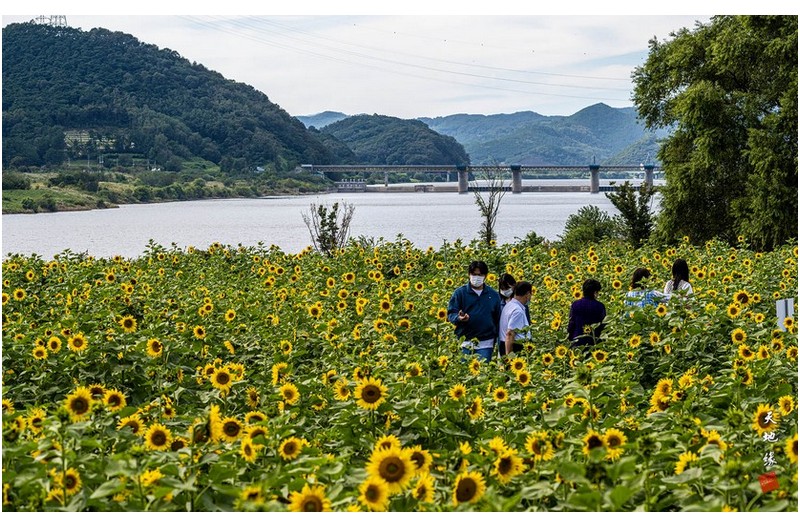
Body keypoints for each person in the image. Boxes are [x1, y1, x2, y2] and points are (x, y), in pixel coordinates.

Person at [447, 260, 502, 363]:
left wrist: (499, 341)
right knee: (465, 373)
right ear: (469, 274)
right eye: (474, 274)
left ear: (485, 276)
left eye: (480, 274)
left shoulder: (493, 295)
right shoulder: (460, 293)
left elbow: (498, 319)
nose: (476, 277)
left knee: (483, 373)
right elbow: (451, 313)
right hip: (465, 341)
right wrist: (459, 318)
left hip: (486, 342)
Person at [567, 278, 606, 348]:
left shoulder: (575, 305)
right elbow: (603, 326)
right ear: (595, 292)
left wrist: (570, 339)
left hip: (577, 342)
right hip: (594, 344)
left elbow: (571, 324)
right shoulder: (600, 306)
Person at [498, 281, 532, 357]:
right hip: (514, 347)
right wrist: (509, 356)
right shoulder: (517, 311)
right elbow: (510, 334)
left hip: (504, 344)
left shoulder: (509, 305)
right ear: (527, 294)